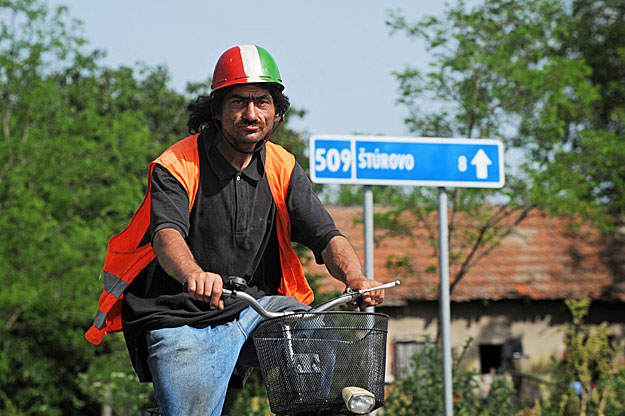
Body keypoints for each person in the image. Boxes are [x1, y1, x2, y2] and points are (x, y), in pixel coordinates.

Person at [85, 44, 385, 415]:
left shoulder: (281, 165)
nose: (251, 114)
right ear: (216, 110)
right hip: (181, 316)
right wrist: (194, 275)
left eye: (262, 101)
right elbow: (167, 235)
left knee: (310, 329)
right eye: (238, 101)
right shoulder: (177, 164)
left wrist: (356, 276)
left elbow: (325, 235)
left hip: (253, 308)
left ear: (277, 111)